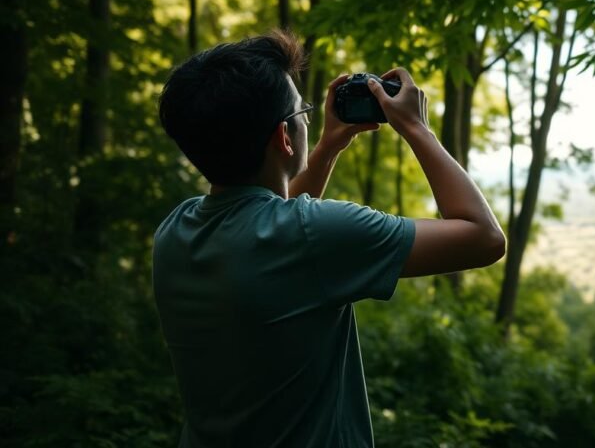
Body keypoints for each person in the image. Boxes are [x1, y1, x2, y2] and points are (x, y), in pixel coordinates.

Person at [152, 30, 505, 447]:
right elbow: (483, 238)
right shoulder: (313, 235)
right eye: (302, 113)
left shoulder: (175, 231)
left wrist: (329, 145)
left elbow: (275, 229)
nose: (308, 119)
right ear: (284, 137)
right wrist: (415, 126)